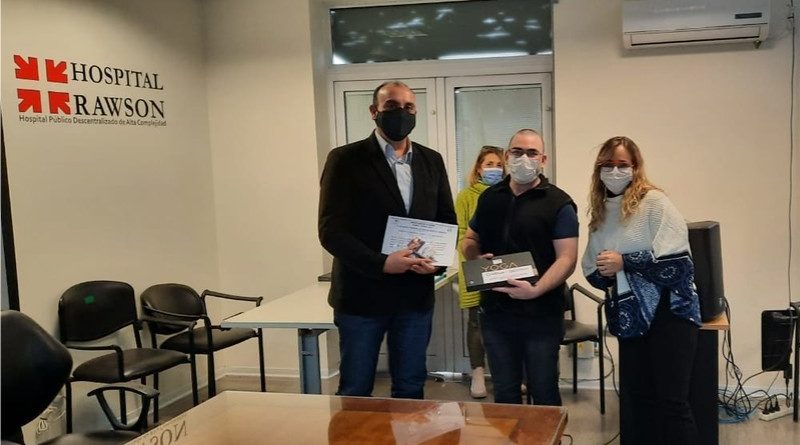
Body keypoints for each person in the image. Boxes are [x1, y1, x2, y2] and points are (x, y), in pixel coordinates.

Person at [318, 80, 457, 399]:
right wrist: (381, 263)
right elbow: (331, 230)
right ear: (374, 111)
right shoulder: (345, 159)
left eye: (409, 107)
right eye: (392, 106)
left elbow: (446, 221)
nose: (401, 113)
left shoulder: (431, 160)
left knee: (410, 387)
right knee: (355, 389)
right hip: (361, 296)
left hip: (415, 297)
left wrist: (436, 264)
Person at [581, 136, 701, 445]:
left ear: (635, 167)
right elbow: (592, 270)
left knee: (673, 403)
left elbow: (678, 264)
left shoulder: (655, 203)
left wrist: (625, 262)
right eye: (608, 165)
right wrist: (606, 270)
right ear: (598, 169)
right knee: (638, 402)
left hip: (671, 314)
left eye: (622, 164)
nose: (615, 171)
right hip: (631, 317)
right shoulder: (601, 212)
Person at [461, 129, 578, 405]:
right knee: (504, 394)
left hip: (541, 315)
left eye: (532, 153)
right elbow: (470, 239)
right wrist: (474, 256)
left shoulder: (559, 203)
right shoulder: (490, 197)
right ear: (507, 156)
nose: (524, 158)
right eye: (517, 151)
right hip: (496, 314)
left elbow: (567, 258)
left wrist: (536, 290)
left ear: (543, 160)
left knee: (544, 391)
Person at [454, 145, 505, 399]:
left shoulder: (509, 193)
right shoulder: (466, 196)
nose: (495, 169)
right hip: (474, 265)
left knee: (504, 321)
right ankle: (477, 374)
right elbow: (460, 232)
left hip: (503, 267)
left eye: (499, 165)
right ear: (478, 168)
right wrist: (473, 256)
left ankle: (506, 375)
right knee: (476, 322)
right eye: (489, 164)